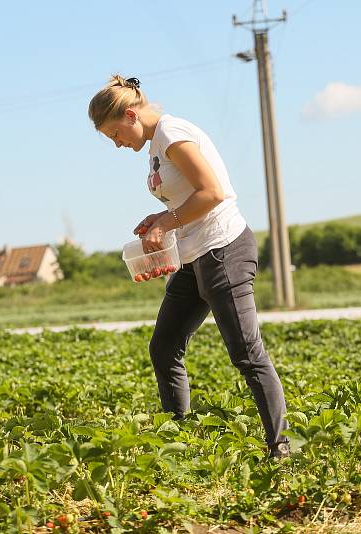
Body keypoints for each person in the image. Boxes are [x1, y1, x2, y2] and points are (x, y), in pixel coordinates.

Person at [88, 75, 290, 458]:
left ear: (130, 115)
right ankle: (177, 444)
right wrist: (160, 218)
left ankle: (280, 447)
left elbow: (212, 193)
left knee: (246, 353)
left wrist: (167, 222)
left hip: (223, 248)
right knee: (164, 347)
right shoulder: (156, 145)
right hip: (193, 254)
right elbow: (186, 198)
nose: (116, 143)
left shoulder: (172, 133)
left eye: (115, 133)